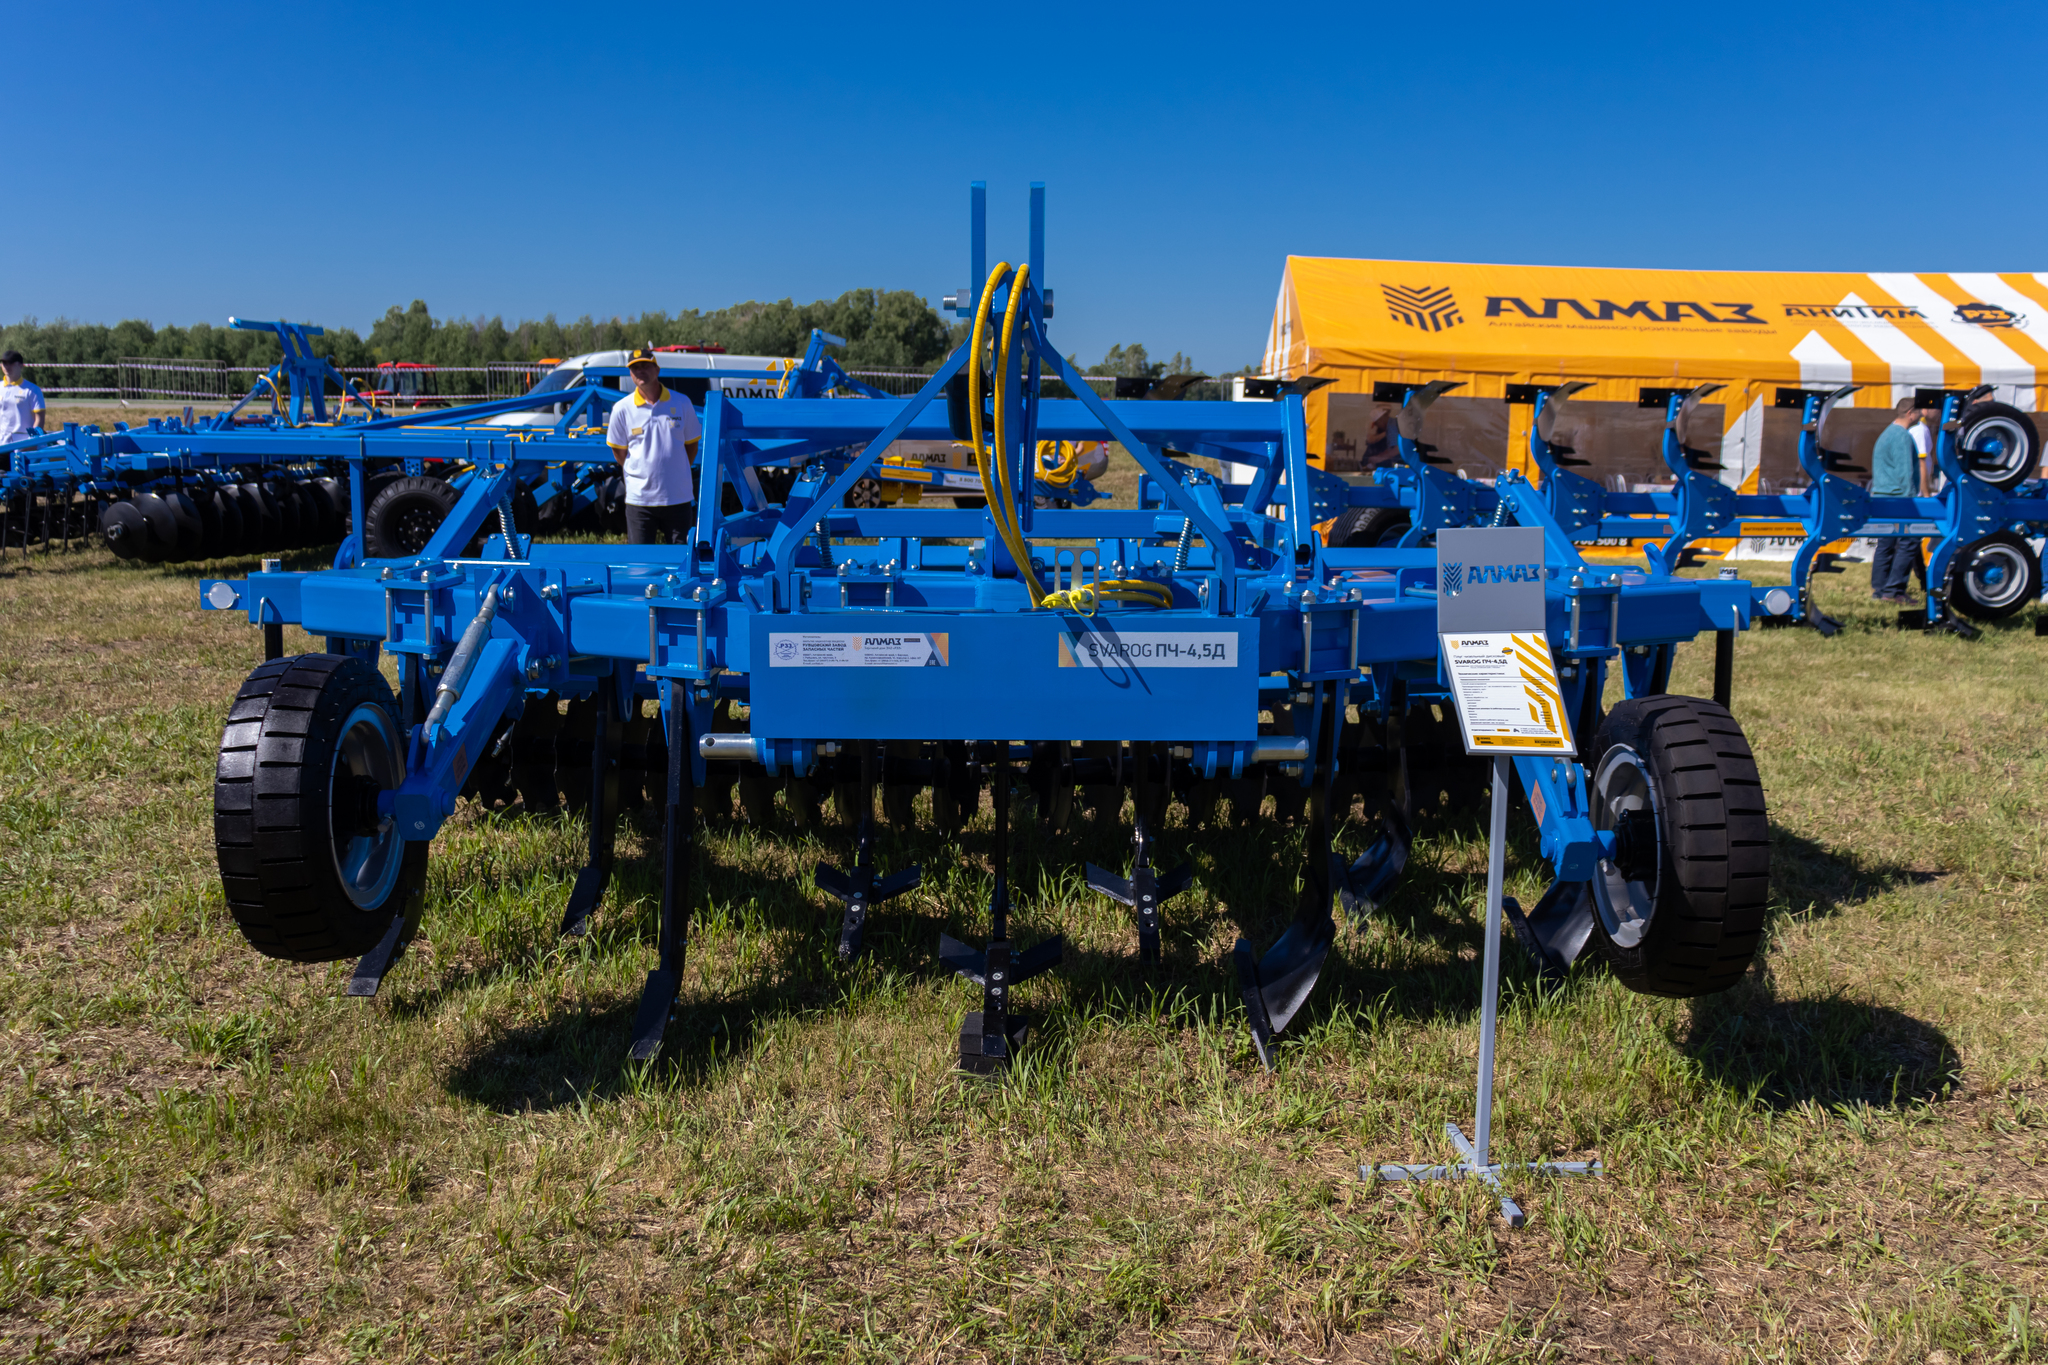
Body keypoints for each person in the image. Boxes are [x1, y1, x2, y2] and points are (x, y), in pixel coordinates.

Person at [605, 345, 700, 544]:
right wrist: (642, 471)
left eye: (645, 366)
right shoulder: (622, 409)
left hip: (678, 498)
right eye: (635, 368)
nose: (640, 371)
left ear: (657, 370)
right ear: (630, 374)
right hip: (640, 501)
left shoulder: (682, 403)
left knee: (681, 561)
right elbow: (619, 452)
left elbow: (691, 446)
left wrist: (673, 471)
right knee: (641, 563)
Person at [1867, 396, 1920, 603]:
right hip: (1899, 498)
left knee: (1886, 544)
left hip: (1882, 496)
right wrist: (1912, 500)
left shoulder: (1887, 433)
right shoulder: (1901, 436)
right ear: (1911, 413)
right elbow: (1904, 471)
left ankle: (1880, 590)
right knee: (1910, 540)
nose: (1922, 415)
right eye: (1920, 412)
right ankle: (1894, 590)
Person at [0, 349, 47, 444]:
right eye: (4, 363)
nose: (6, 366)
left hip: (24, 445)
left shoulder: (32, 390)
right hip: (2, 444)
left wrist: (32, 442)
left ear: (21, 365)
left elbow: (39, 419)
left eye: (11, 363)